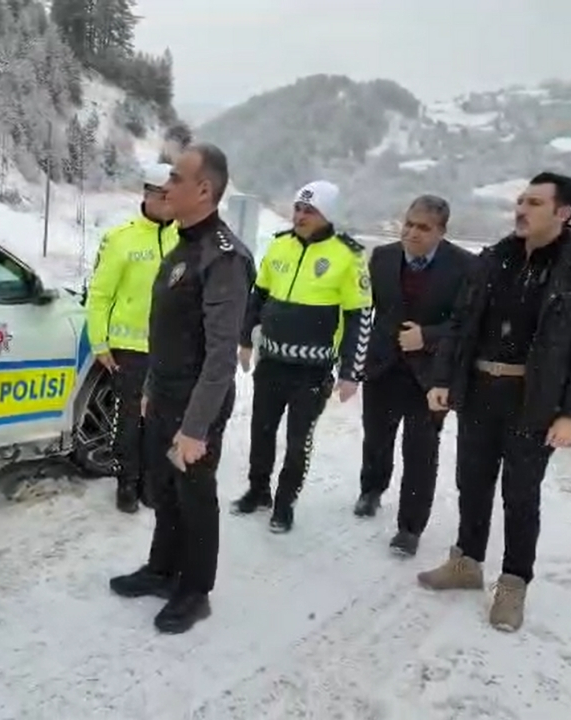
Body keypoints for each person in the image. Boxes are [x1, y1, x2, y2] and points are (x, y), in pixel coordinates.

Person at [418, 172, 571, 633]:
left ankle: (513, 584)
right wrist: (443, 378)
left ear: (563, 212)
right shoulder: (497, 258)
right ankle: (466, 562)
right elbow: (462, 324)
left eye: (534, 202)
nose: (521, 209)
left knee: (520, 495)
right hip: (480, 390)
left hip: (534, 400)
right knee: (472, 482)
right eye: (520, 200)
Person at [108, 143, 254, 634]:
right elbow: (163, 329)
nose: (165, 186)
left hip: (198, 403)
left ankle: (195, 590)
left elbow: (220, 353)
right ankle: (162, 569)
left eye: (175, 178)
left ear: (204, 189)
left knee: (194, 496)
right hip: (166, 393)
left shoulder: (224, 257)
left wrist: (196, 427)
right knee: (165, 491)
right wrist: (151, 385)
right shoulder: (183, 245)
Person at [232, 181, 373, 533]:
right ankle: (258, 490)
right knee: (260, 431)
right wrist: (245, 341)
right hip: (272, 361)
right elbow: (258, 296)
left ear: (327, 215)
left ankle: (285, 502)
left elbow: (360, 316)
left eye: (309, 210)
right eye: (298, 208)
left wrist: (351, 371)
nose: (300, 216)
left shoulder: (348, 256)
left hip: (312, 370)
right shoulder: (279, 246)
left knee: (299, 440)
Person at [354, 195, 475, 557]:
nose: (412, 232)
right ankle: (372, 489)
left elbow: (466, 323)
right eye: (409, 223)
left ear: (442, 231)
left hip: (431, 377)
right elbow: (364, 310)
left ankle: (410, 527)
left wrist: (428, 336)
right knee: (376, 436)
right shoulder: (383, 257)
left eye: (424, 227)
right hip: (382, 367)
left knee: (421, 451)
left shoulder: (465, 267)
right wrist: (356, 359)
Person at [85, 162, 179, 513]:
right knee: (128, 421)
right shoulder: (120, 238)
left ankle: (152, 482)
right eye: (163, 194)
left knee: (162, 421)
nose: (169, 202)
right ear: (147, 194)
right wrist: (99, 341)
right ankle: (127, 482)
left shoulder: (184, 237)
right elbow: (100, 294)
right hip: (130, 350)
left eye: (174, 195)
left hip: (170, 349)